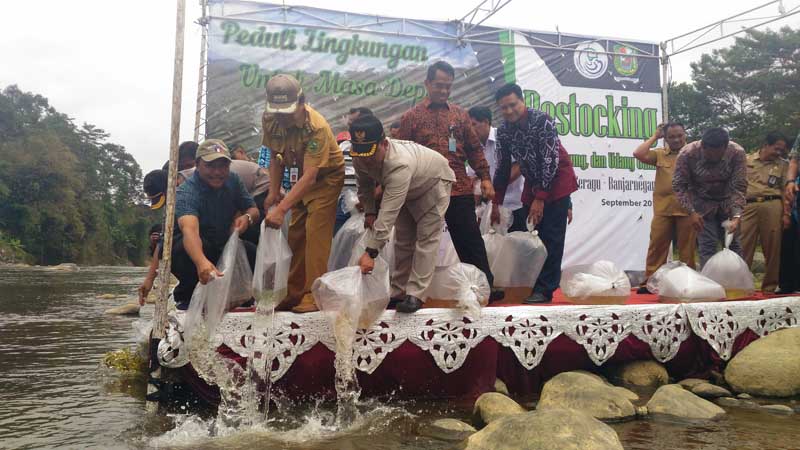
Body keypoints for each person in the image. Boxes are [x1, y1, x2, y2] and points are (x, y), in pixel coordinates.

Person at [397, 60, 502, 301]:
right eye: (438, 86)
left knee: (470, 240)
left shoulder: (460, 115)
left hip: (458, 188)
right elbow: (401, 154)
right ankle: (408, 292)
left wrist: (485, 178)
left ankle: (485, 285)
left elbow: (475, 150)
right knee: (418, 243)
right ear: (427, 84)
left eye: (448, 86)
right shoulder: (411, 118)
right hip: (424, 191)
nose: (443, 91)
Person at [350, 114, 455, 313]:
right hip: (408, 189)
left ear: (384, 144)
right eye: (361, 153)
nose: (366, 160)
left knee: (426, 239)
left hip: (433, 183)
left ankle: (416, 294)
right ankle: (398, 291)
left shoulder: (400, 164)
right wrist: (370, 212)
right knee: (403, 241)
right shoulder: (361, 156)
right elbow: (364, 186)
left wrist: (370, 252)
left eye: (371, 153)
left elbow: (388, 213)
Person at [261, 74, 345, 313]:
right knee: (296, 234)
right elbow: (275, 157)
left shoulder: (316, 127)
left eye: (287, 111)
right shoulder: (270, 119)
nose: (282, 117)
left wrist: (282, 208)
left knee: (315, 232)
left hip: (325, 179)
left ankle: (313, 294)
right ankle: (294, 292)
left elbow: (311, 176)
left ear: (300, 102)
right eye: (277, 111)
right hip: (299, 177)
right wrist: (273, 192)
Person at [491, 83, 578, 304]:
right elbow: (502, 168)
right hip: (533, 181)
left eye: (513, 105)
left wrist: (540, 198)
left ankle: (546, 289)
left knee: (551, 235)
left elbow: (550, 162)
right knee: (533, 234)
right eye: (504, 108)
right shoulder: (503, 131)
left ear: (522, 101)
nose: (509, 111)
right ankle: (532, 283)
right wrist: (495, 203)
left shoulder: (543, 120)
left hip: (557, 178)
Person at [170, 139, 259, 310]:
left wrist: (247, 218)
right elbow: (190, 230)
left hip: (222, 241)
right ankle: (187, 296)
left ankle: (241, 297)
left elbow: (253, 209)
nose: (217, 172)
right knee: (187, 249)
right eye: (210, 166)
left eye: (223, 166)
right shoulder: (187, 191)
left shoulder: (233, 180)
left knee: (252, 251)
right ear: (197, 165)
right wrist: (201, 262)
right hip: (195, 246)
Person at [632, 122, 696, 293]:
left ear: (685, 135)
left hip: (687, 209)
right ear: (665, 138)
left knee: (687, 249)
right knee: (657, 247)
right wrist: (655, 136)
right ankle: (649, 283)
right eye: (671, 137)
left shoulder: (694, 154)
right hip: (663, 209)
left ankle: (687, 283)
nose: (676, 140)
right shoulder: (660, 154)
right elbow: (638, 153)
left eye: (679, 136)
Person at [672, 127, 747, 269]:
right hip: (701, 203)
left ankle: (735, 284)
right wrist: (691, 212)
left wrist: (737, 216)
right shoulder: (687, 154)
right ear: (703, 147)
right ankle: (710, 285)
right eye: (710, 155)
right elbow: (679, 186)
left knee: (733, 244)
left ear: (725, 147)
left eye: (718, 155)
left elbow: (739, 186)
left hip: (728, 202)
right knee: (707, 246)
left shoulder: (737, 152)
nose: (714, 159)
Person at [740, 132, 789, 293]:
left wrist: (786, 214)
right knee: (744, 245)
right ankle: (742, 286)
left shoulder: (783, 165)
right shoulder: (745, 160)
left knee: (773, 246)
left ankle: (769, 287)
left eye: (782, 150)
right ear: (766, 145)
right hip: (749, 206)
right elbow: (737, 186)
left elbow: (784, 190)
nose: (779, 153)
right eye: (776, 148)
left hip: (772, 205)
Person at [467, 106, 527, 231]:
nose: (471, 130)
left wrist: (495, 186)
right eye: (469, 126)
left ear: (486, 121)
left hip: (513, 203)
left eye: (474, 124)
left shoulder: (503, 137)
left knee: (515, 247)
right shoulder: (473, 147)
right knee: (492, 248)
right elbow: (474, 176)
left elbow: (519, 166)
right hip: (488, 207)